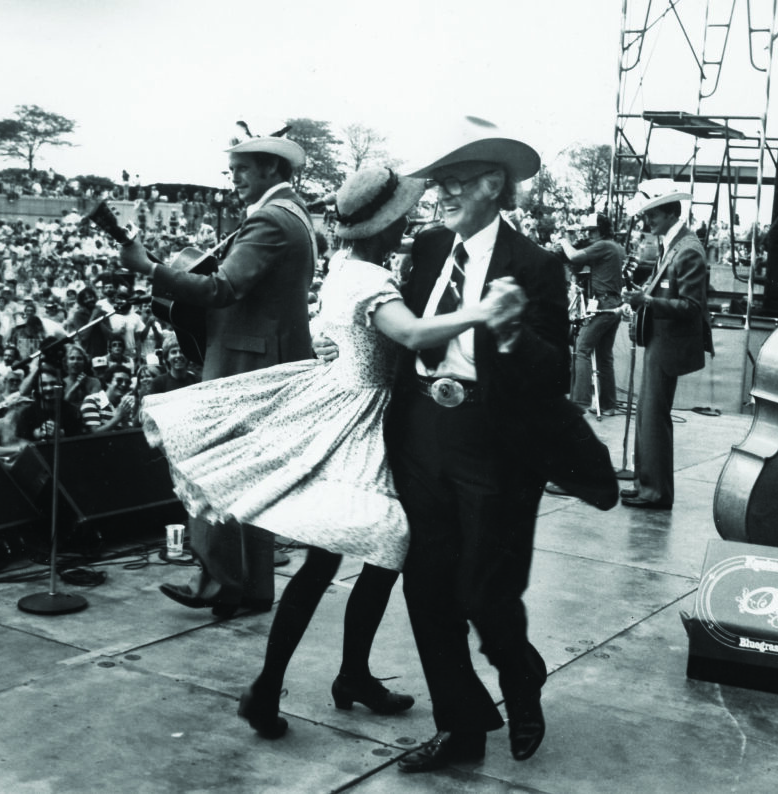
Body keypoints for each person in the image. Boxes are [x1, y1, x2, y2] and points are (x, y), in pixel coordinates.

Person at [140, 165, 520, 738]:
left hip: (339, 401)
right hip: (360, 420)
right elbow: (415, 336)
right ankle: (311, 680)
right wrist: (485, 311)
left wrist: (333, 344)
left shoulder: (345, 266)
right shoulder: (372, 280)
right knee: (381, 547)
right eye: (401, 220)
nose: (410, 225)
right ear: (384, 228)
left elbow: (335, 329)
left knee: (340, 560)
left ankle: (309, 682)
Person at [386, 117, 615, 774]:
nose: (442, 195)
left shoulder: (535, 267)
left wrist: (514, 336)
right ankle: (460, 727)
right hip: (422, 433)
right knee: (426, 589)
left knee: (484, 592)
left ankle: (520, 675)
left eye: (455, 182)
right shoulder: (429, 249)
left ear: (493, 184)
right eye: (438, 185)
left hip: (494, 442)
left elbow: (551, 372)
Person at [120, 135, 319, 618]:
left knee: (214, 468)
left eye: (242, 170)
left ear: (271, 169)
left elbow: (223, 288)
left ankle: (220, 582)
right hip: (263, 358)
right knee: (248, 478)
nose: (233, 180)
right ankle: (247, 586)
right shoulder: (292, 214)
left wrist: (150, 268)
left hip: (244, 362)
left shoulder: (271, 219)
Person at [621, 182, 714, 509]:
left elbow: (691, 306)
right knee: (648, 415)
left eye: (653, 215)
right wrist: (642, 298)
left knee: (653, 416)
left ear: (672, 212)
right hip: (661, 340)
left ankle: (656, 491)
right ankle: (646, 484)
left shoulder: (687, 249)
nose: (648, 222)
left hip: (669, 343)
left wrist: (646, 300)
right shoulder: (674, 244)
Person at [559, 212, 625, 415]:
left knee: (581, 349)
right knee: (604, 357)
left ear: (602, 230)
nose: (589, 235)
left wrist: (564, 241)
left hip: (603, 305)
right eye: (587, 231)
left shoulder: (603, 245)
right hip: (613, 304)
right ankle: (608, 405)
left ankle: (580, 402)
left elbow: (574, 256)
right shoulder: (616, 247)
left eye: (592, 230)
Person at [79, 364, 137, 433]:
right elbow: (94, 434)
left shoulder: (125, 405)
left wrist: (124, 420)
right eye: (119, 380)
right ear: (108, 382)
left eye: (128, 382)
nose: (124, 384)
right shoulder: (92, 400)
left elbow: (129, 435)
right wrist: (119, 416)